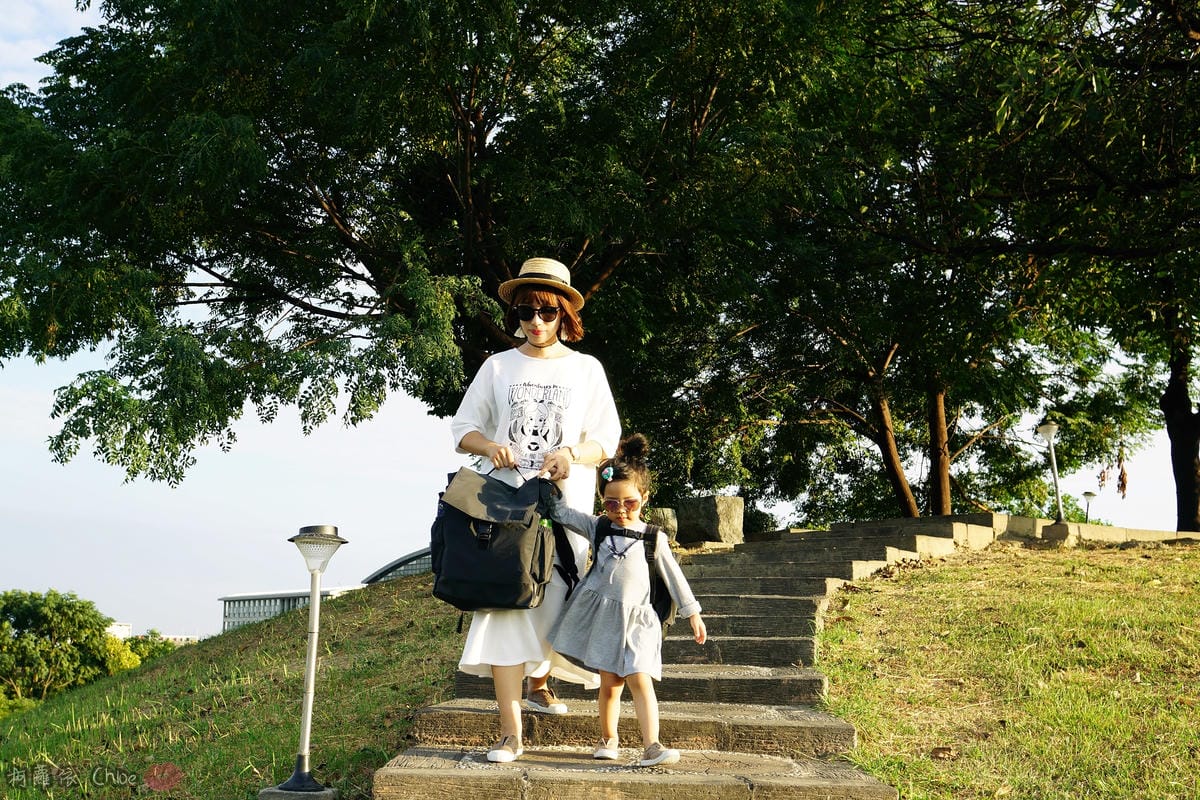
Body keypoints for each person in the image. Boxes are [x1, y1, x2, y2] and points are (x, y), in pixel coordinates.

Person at [450, 256, 621, 764]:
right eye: (527, 312)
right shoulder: (498, 366)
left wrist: (571, 454)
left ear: (565, 314)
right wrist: (490, 447)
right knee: (506, 604)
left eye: (547, 312)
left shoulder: (586, 369)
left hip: (566, 507)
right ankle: (510, 734)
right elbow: (463, 430)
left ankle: (539, 682)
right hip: (505, 507)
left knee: (561, 598)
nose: (536, 322)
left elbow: (605, 440)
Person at [545, 433, 707, 768]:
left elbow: (674, 576)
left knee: (640, 679)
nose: (620, 510)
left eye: (629, 503)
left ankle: (652, 745)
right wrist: (556, 478)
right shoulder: (599, 528)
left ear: (644, 498)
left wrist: (693, 614)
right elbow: (562, 513)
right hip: (605, 619)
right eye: (611, 503)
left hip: (640, 621)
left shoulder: (653, 537)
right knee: (610, 685)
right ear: (603, 502)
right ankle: (608, 738)